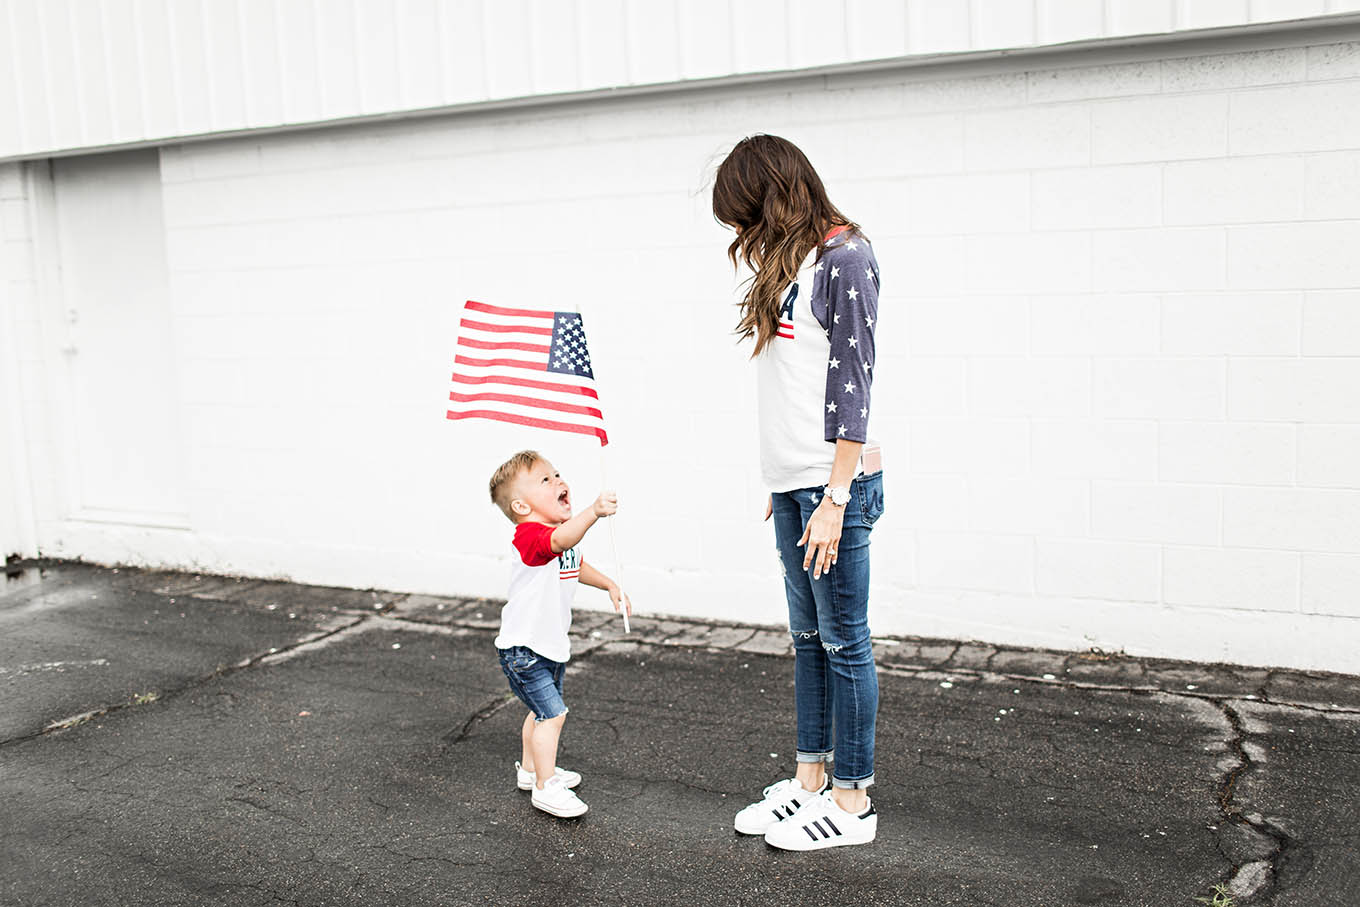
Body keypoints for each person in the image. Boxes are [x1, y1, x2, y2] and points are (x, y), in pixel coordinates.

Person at [712, 134, 885, 850]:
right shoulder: (793, 262)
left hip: (832, 486)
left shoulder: (846, 258)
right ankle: (810, 781)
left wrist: (834, 497)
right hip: (794, 484)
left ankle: (852, 803)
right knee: (808, 640)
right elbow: (791, 383)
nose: (745, 232)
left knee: (845, 641)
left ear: (774, 196)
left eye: (747, 214)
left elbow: (853, 384)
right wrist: (784, 481)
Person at [487, 450, 632, 818]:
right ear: (521, 506)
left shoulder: (558, 539)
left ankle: (531, 770)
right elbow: (561, 543)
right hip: (524, 650)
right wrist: (593, 512)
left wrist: (609, 584)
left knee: (541, 713)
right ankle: (545, 786)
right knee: (552, 716)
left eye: (557, 474)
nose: (558, 481)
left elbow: (574, 563)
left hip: (548, 647)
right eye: (545, 480)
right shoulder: (530, 536)